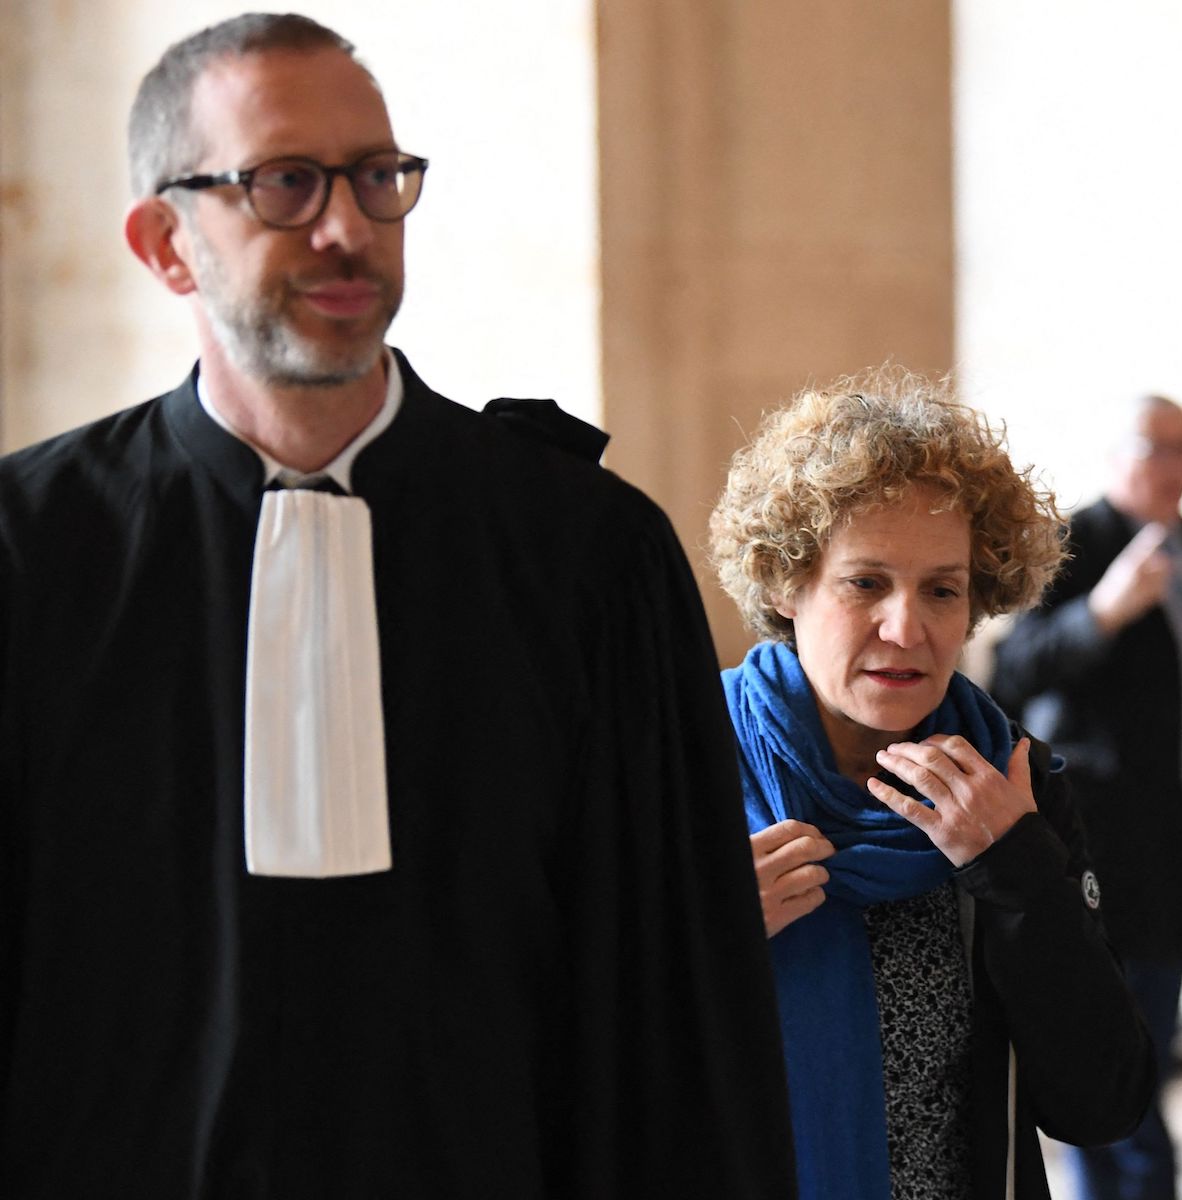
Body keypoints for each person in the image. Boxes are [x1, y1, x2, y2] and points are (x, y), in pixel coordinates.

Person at [0, 15, 790, 1195]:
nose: (346, 229)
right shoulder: (30, 551)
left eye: (377, 178)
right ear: (166, 242)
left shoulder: (588, 557)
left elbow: (671, 1005)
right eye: (285, 184)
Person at [708, 368, 1153, 1200]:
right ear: (785, 582)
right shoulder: (678, 769)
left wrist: (1019, 870)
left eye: (942, 590)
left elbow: (1101, 1101)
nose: (906, 628)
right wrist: (696, 937)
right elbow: (555, 1060)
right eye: (865, 583)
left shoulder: (1013, 782)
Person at [993, 394, 1182, 1200]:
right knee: (1119, 1039)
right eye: (1156, 449)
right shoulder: (1080, 543)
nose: (1173, 468)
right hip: (1112, 842)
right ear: (1115, 455)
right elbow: (1017, 668)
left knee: (1155, 1035)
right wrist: (1103, 614)